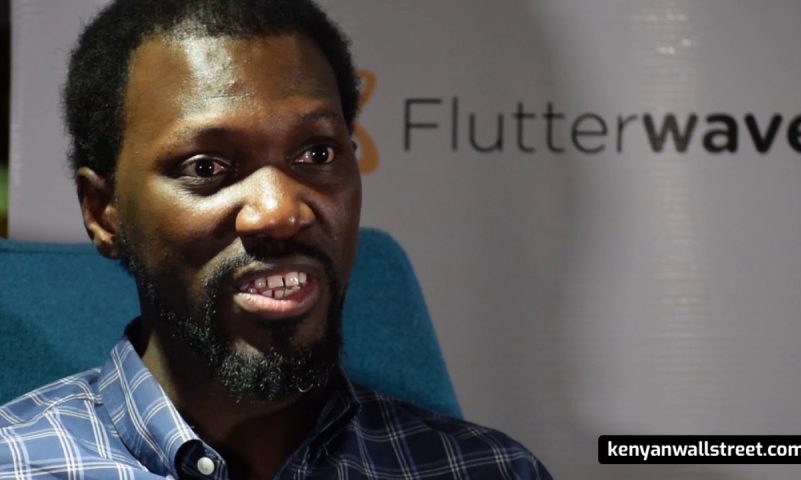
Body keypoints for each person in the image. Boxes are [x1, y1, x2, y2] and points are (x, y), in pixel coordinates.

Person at [0, 1, 551, 478]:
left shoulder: (486, 469)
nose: (280, 212)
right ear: (103, 212)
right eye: (207, 166)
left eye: (317, 153)